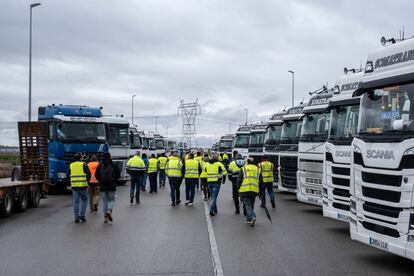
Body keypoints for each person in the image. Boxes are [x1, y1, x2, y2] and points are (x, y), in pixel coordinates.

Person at [96, 152, 120, 223]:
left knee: (105, 202)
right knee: (111, 200)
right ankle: (109, 211)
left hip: (103, 185)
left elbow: (96, 175)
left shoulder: (100, 165)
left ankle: (105, 218)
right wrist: (114, 180)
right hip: (111, 185)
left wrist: (100, 181)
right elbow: (118, 175)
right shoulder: (113, 165)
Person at [238, 157, 261, 226]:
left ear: (247, 162)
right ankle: (249, 219)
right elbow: (261, 181)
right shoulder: (258, 169)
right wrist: (260, 192)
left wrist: (238, 188)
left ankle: (253, 216)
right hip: (254, 190)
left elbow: (239, 180)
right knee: (251, 205)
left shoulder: (243, 168)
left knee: (247, 205)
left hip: (245, 190)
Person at [69, 153, 90, 223]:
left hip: (74, 187)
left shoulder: (71, 165)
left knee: (76, 202)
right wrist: (87, 182)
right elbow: (89, 174)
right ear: (81, 158)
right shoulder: (84, 164)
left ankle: (76, 218)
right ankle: (82, 215)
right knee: (84, 200)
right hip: (83, 186)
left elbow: (67, 175)